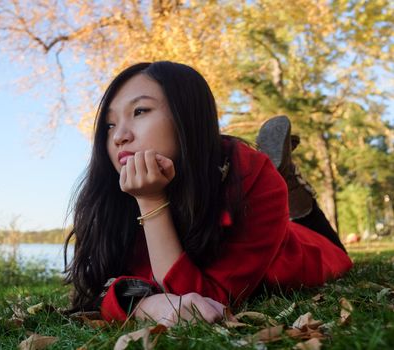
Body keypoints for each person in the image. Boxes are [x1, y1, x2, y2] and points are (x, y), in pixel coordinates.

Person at [64, 61, 352, 326]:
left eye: (140, 111)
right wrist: (144, 305)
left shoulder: (251, 174)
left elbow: (202, 302)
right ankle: (289, 183)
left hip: (297, 250)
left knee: (334, 250)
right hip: (261, 222)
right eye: (110, 124)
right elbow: (101, 287)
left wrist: (151, 201)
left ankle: (289, 186)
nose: (119, 136)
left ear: (187, 115)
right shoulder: (113, 196)